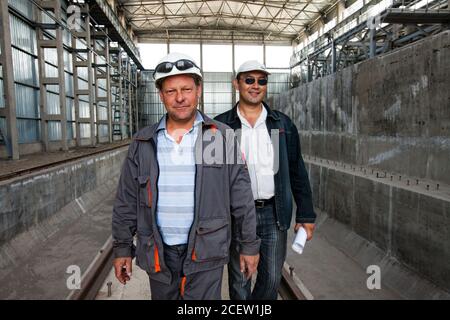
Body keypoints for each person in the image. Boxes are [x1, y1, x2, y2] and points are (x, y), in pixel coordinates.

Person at [111, 53, 260, 300]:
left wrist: (249, 245)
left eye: (186, 89)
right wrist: (122, 248)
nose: (180, 98)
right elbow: (126, 200)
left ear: (198, 90)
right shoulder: (144, 142)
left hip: (206, 249)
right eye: (171, 91)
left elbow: (241, 196)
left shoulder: (218, 137)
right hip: (159, 251)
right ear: (161, 95)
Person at [215, 60, 316, 300]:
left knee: (271, 278)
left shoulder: (282, 124)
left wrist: (306, 215)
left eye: (262, 81)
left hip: (273, 213)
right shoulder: (221, 126)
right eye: (249, 80)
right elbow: (210, 178)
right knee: (240, 281)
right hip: (237, 215)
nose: (256, 85)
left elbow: (296, 170)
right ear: (236, 84)